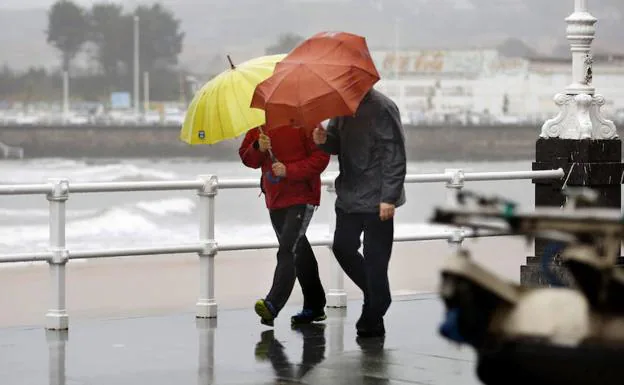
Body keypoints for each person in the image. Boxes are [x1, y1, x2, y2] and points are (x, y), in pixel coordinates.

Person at [312, 88, 407, 338]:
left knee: (376, 261)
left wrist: (389, 197)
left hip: (378, 199)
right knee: (342, 247)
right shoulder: (341, 106)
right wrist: (323, 140)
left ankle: (372, 318)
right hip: (349, 196)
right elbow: (335, 144)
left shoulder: (383, 107)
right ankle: (379, 298)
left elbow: (395, 155)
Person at [239, 123, 330, 327]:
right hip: (275, 197)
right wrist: (257, 148)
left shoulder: (306, 121)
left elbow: (321, 158)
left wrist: (289, 170)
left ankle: (272, 304)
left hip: (302, 196)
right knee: (300, 251)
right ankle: (315, 305)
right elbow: (247, 159)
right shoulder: (257, 124)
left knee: (288, 249)